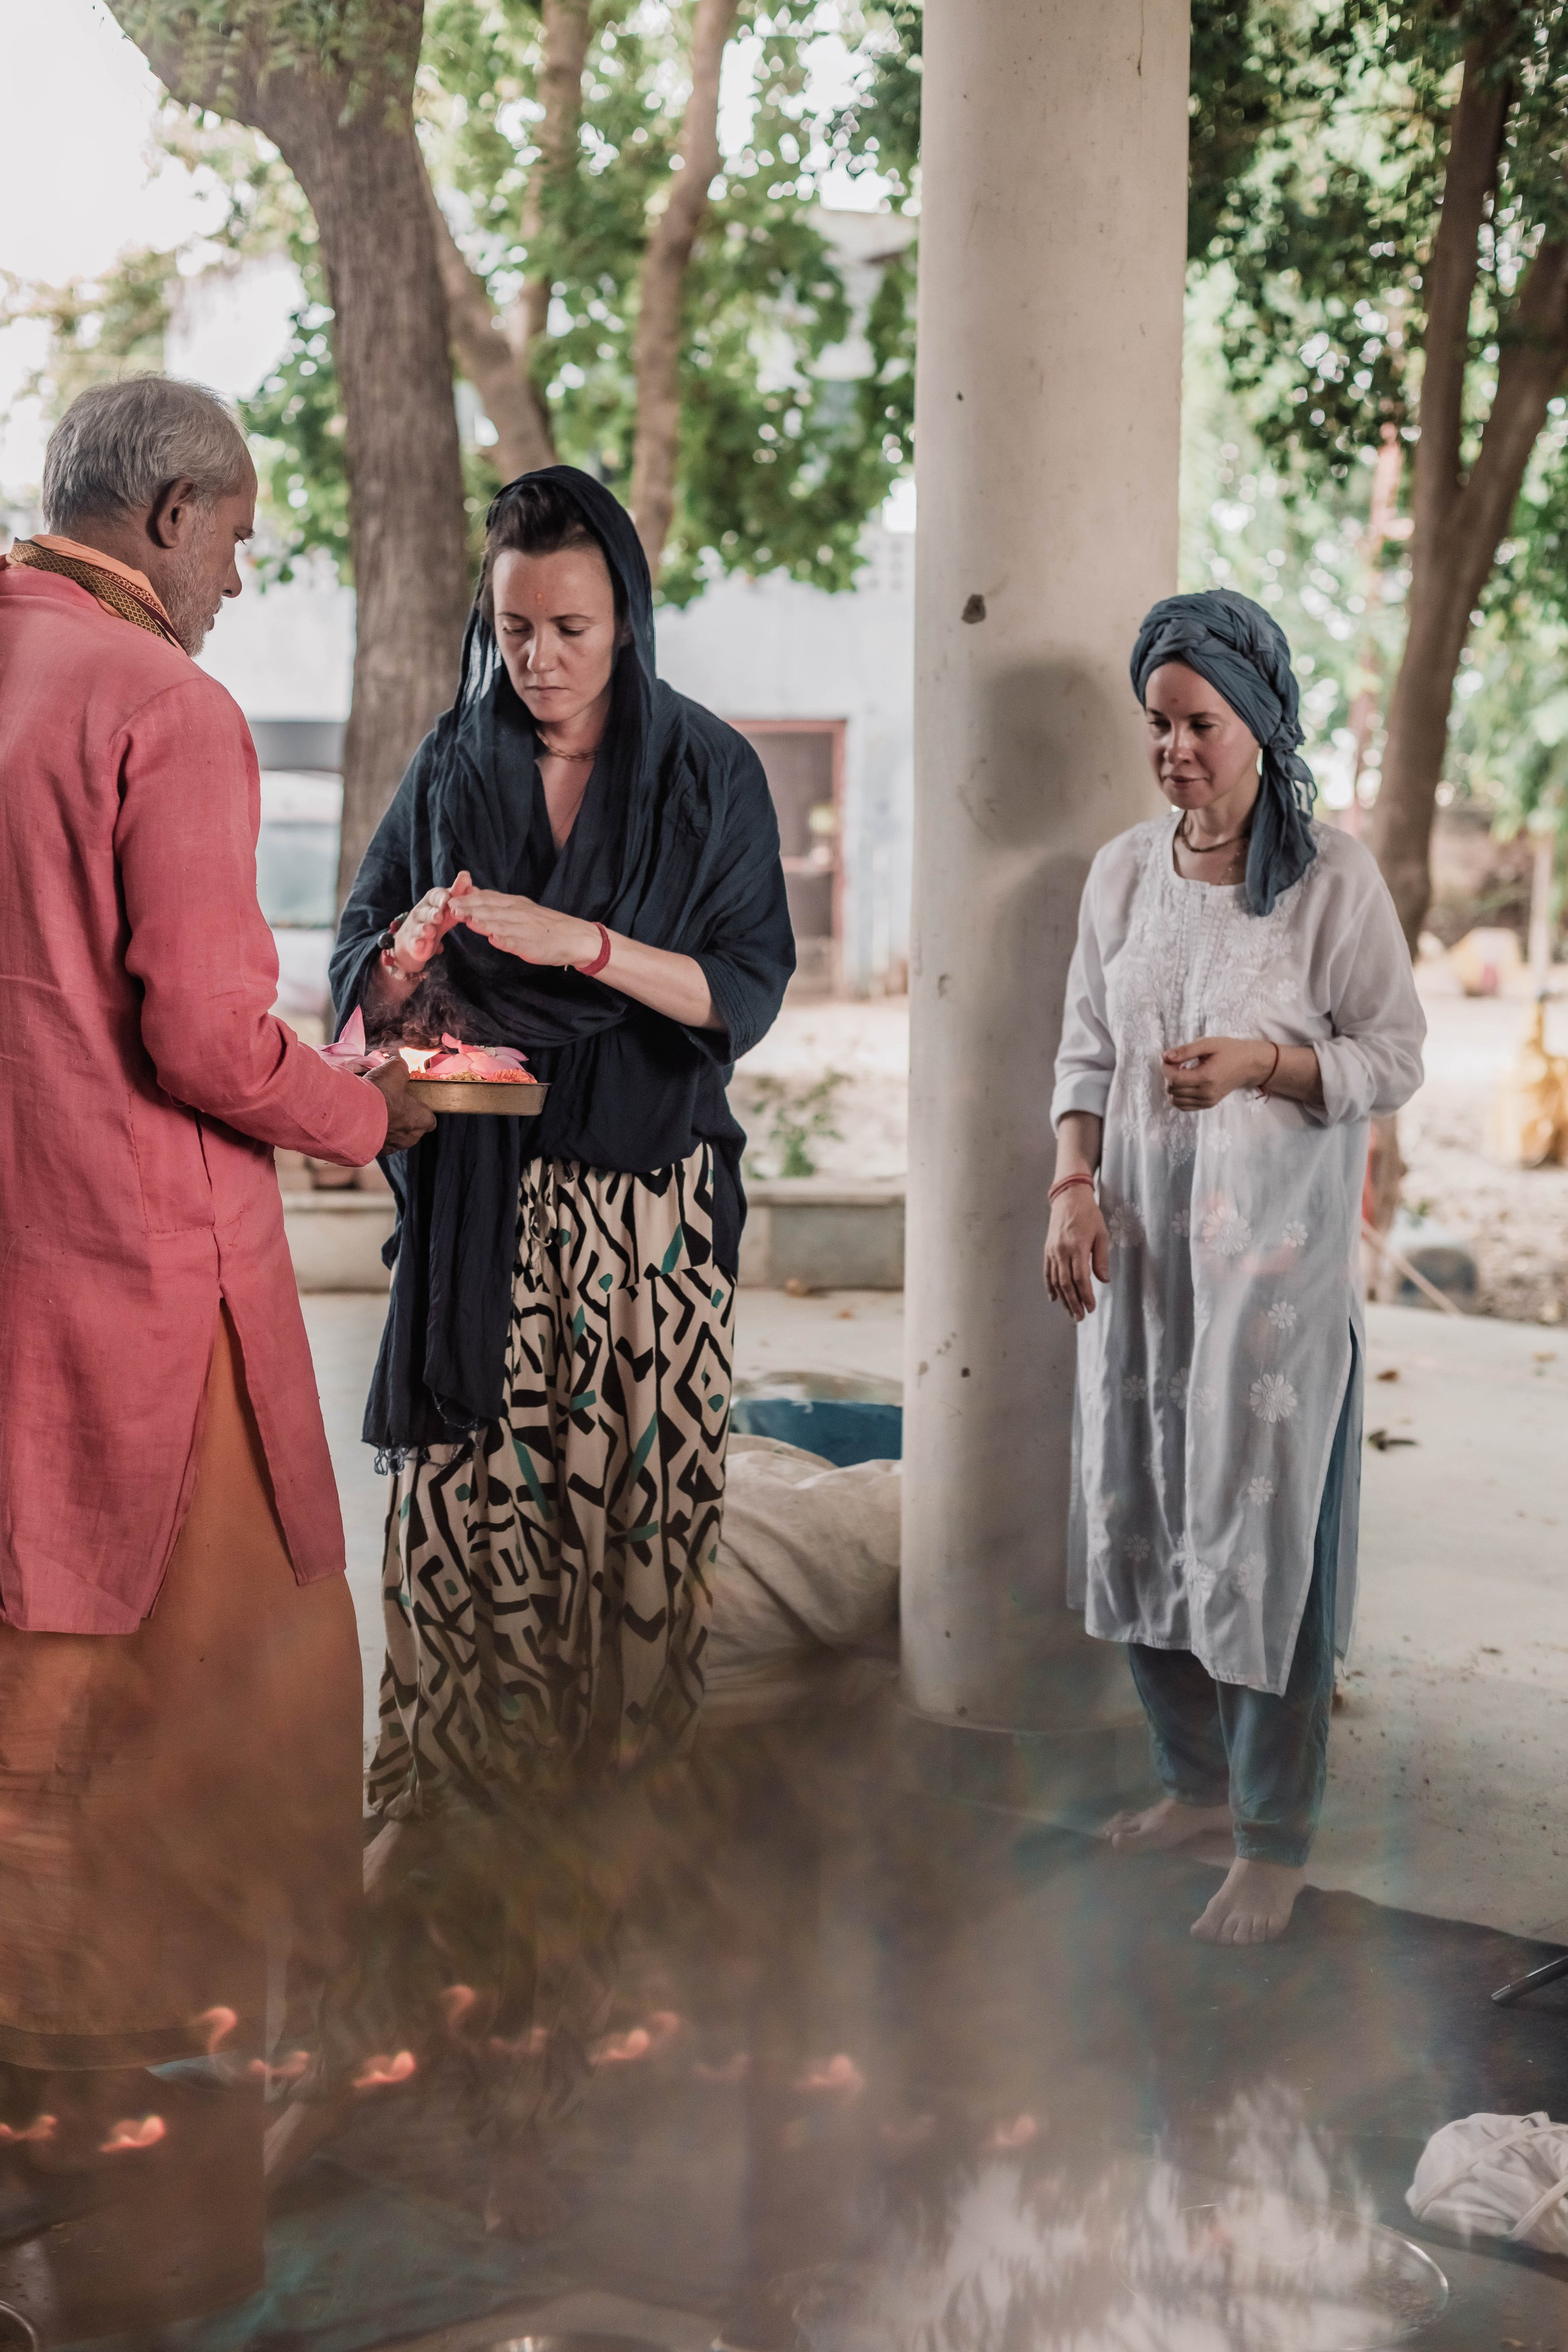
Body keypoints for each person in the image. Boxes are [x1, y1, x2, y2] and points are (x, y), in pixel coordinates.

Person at [0, 375, 432, 2330]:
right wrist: (371, 1109)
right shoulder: (161, 706)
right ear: (168, 514)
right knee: (205, 1770)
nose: (246, 575)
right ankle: (149, 2248)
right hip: (140, 1311)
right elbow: (197, 1031)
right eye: (243, 533)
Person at [333, 465, 793, 1813]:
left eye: (570, 631)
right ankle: (450, 1853)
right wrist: (404, 958)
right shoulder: (450, 761)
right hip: (484, 1211)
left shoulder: (707, 771)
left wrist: (580, 945)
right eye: (515, 628)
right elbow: (362, 966)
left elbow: (741, 990)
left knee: (630, 1553)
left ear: (627, 620)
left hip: (643, 1229)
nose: (538, 659)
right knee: (460, 1541)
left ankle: (606, 1865)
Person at [1046, 589, 1425, 1948]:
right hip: (1142, 1267)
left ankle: (1273, 1839)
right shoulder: (1118, 876)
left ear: (1257, 722)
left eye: (1198, 721)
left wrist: (1265, 1063)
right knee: (1140, 1508)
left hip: (1268, 1285)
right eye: (1155, 723)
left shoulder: (1330, 881)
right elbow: (1082, 1050)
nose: (1172, 749)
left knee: (1264, 1546)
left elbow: (1393, 1054)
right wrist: (1068, 1186)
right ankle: (1192, 1788)